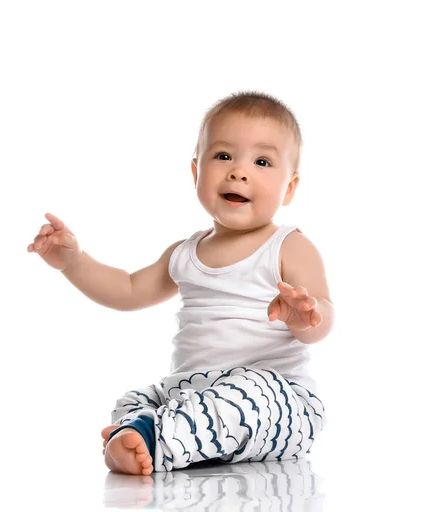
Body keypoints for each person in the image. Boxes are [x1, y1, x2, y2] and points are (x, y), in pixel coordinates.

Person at [27, 91, 333, 476]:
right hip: (193, 391)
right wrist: (72, 262)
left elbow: (324, 312)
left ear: (289, 188)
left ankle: (158, 440)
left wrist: (306, 316)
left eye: (262, 161)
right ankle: (151, 432)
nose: (239, 171)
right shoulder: (185, 253)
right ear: (196, 173)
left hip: (281, 399)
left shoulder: (287, 246)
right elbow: (127, 290)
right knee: (139, 397)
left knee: (250, 395)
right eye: (223, 156)